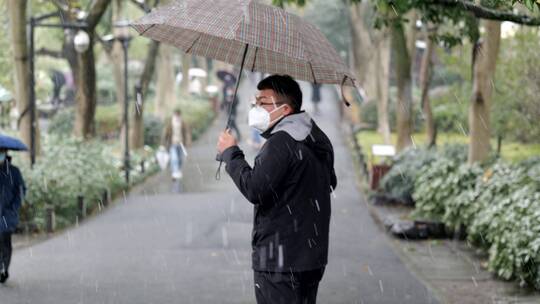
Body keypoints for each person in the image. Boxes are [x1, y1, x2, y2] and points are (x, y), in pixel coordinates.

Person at [217, 75, 337, 304]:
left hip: (280, 259)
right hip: (311, 257)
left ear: (284, 109)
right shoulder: (315, 136)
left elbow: (255, 189)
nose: (255, 108)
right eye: (255, 102)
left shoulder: (282, 142)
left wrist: (231, 153)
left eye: (262, 102)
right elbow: (327, 182)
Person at [0, 149, 26, 284]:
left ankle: (3, 269)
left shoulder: (14, 171)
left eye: (2, 152)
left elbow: (21, 191)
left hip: (7, 214)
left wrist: (14, 207)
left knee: (4, 241)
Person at [162, 109, 191, 180]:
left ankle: (178, 170)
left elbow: (187, 132)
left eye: (178, 115)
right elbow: (165, 133)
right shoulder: (170, 123)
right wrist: (163, 144)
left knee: (180, 159)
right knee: (174, 159)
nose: (177, 117)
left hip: (181, 144)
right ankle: (175, 173)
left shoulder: (183, 123)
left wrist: (188, 141)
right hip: (173, 143)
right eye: (176, 115)